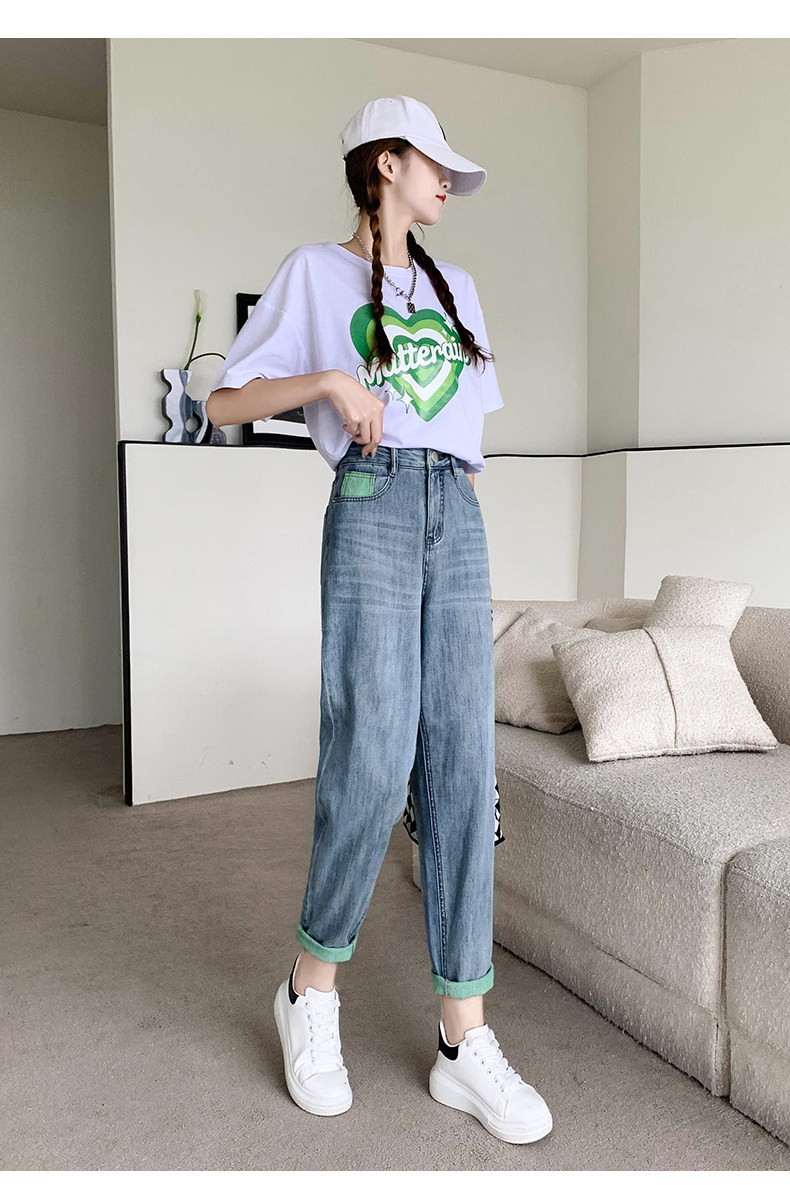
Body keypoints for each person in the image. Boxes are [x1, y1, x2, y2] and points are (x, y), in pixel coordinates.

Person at [207, 95, 553, 1145]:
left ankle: (462, 1038)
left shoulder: (460, 290)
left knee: (462, 761)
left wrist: (463, 530)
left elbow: (468, 446)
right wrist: (326, 382)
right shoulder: (315, 274)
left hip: (456, 512)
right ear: (386, 163)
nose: (448, 180)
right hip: (370, 501)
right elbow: (223, 401)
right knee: (371, 749)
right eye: (435, 162)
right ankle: (309, 989)